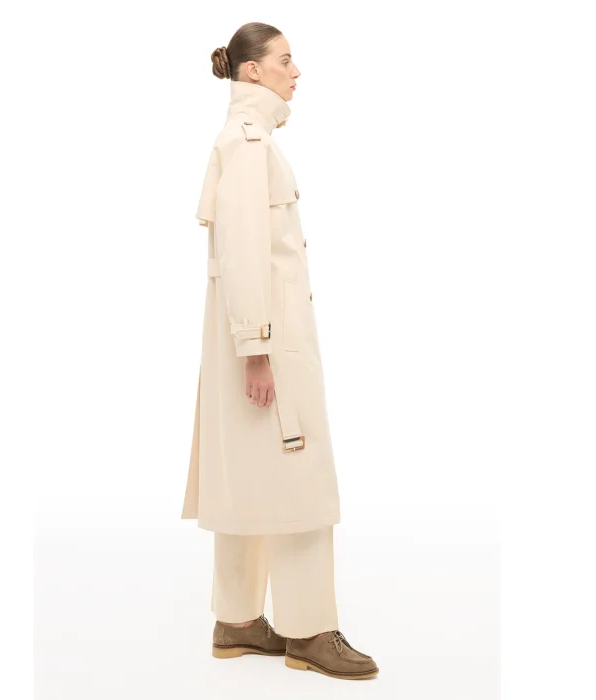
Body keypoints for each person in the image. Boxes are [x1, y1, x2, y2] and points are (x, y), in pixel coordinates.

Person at [181, 22, 379, 681]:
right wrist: (257, 348)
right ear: (252, 72)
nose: (297, 72)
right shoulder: (249, 144)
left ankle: (237, 621)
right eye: (285, 61)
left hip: (256, 338)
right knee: (301, 482)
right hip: (269, 342)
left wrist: (250, 343)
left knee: (248, 475)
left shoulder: (248, 140)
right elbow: (242, 252)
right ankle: (310, 630)